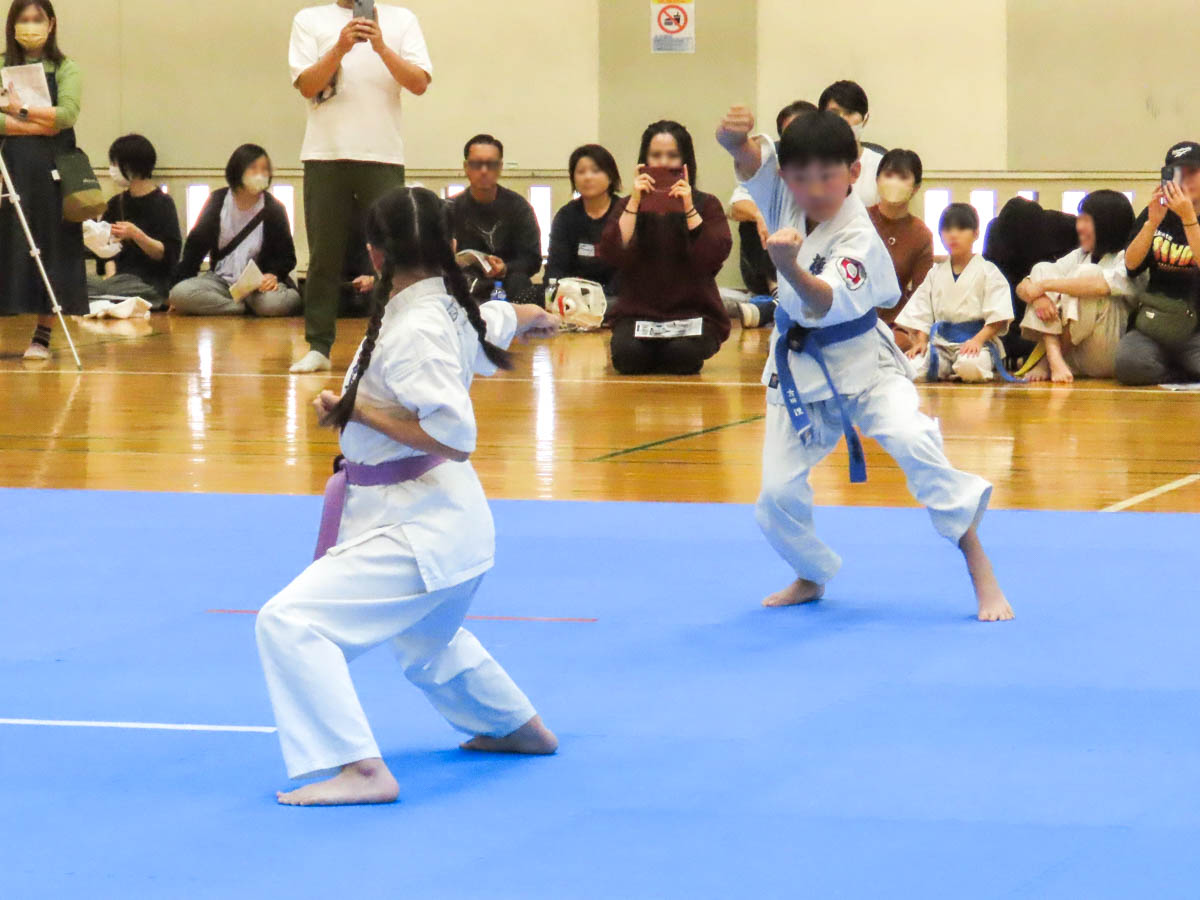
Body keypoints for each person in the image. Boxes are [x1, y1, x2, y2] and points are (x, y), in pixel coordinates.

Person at [255, 187, 560, 806]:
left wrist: (356, 409)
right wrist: (536, 316)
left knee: (289, 622)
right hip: (447, 528)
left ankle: (360, 769)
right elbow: (500, 320)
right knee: (427, 642)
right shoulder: (446, 306)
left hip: (422, 529)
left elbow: (455, 434)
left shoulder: (416, 326)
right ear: (450, 247)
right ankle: (516, 728)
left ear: (374, 253)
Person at [717, 104, 1011, 622]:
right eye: (801, 177)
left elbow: (823, 300)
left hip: (865, 366)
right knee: (775, 495)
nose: (813, 189)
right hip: (797, 368)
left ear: (854, 173)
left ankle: (977, 562)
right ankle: (811, 573)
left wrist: (787, 265)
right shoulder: (783, 191)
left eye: (828, 176)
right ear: (787, 176)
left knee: (915, 441)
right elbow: (750, 163)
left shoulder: (859, 235)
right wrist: (731, 142)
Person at [288, 1, 433, 373]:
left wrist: (381, 45)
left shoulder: (402, 19)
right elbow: (307, 85)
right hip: (325, 154)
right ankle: (319, 345)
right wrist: (340, 47)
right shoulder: (309, 20)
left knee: (392, 254)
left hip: (383, 154)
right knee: (323, 254)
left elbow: (418, 83)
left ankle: (394, 341)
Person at [598, 120, 732, 375]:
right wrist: (635, 202)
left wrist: (689, 207)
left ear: (685, 162)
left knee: (680, 356)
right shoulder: (628, 204)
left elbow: (713, 256)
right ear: (644, 160)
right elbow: (612, 251)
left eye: (672, 156)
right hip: (638, 313)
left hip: (694, 313)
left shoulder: (707, 204)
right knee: (629, 358)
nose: (662, 163)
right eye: (655, 155)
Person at [0, 0, 85, 360]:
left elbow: (64, 116)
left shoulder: (66, 67)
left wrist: (18, 109)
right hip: (8, 170)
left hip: (51, 173)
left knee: (50, 246)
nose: (30, 26)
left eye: (37, 19)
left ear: (50, 24)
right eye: (24, 20)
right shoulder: (2, 66)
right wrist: (38, 122)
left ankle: (43, 335)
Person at [1017, 191, 1140, 382]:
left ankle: (1048, 360)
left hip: (1105, 352)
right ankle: (1053, 356)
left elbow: (1098, 286)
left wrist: (1043, 286)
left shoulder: (1128, 258)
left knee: (1086, 276)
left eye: (1085, 220)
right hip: (1071, 355)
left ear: (1106, 224)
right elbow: (1024, 286)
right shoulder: (1080, 254)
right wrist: (1039, 297)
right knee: (1042, 268)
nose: (1079, 227)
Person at [169, 144, 302, 317]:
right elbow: (195, 247)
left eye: (264, 170)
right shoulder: (217, 201)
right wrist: (179, 286)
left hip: (258, 286)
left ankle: (249, 305)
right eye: (253, 169)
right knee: (179, 294)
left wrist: (273, 274)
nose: (260, 174)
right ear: (238, 170)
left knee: (272, 304)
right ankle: (239, 308)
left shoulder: (274, 209)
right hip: (221, 281)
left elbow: (287, 256)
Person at [897, 204, 1014, 382]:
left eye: (961, 228)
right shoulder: (935, 273)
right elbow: (921, 311)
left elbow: (998, 316)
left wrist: (977, 340)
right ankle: (946, 368)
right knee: (912, 367)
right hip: (940, 344)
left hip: (975, 343)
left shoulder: (988, 271)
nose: (953, 235)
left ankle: (958, 368)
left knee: (970, 367)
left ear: (975, 234)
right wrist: (920, 341)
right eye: (947, 229)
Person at [1114, 141, 1200, 385]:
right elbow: (1131, 266)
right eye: (1178, 173)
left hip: (1196, 327)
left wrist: (1189, 219)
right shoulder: (1155, 213)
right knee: (1128, 365)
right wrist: (1152, 223)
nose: (1186, 179)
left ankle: (1185, 368)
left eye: (1193, 172)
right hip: (1156, 322)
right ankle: (1179, 372)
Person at [729, 99, 816, 329]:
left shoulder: (833, 167)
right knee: (757, 219)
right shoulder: (774, 165)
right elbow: (735, 206)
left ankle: (780, 302)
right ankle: (778, 293)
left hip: (820, 265)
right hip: (776, 257)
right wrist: (760, 214)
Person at [88, 134, 181, 309]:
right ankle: (111, 295)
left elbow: (168, 254)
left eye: (115, 164)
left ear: (132, 166)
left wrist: (136, 234)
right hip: (119, 281)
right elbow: (107, 252)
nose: (112, 170)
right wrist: (111, 278)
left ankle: (113, 297)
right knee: (80, 284)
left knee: (135, 290)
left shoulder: (163, 203)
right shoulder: (116, 203)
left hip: (150, 283)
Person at [448, 134, 543, 304]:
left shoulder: (519, 207)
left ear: (500, 167)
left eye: (490, 165)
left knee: (521, 284)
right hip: (466, 283)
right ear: (466, 167)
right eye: (477, 164)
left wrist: (505, 268)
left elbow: (532, 259)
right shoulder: (449, 208)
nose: (484, 171)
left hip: (508, 282)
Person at [868, 148, 933, 351]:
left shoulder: (920, 233)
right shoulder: (858, 220)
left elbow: (922, 292)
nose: (894, 182)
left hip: (896, 324)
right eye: (888, 175)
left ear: (916, 187)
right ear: (877, 180)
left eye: (903, 177)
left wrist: (919, 335)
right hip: (853, 318)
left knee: (887, 348)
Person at [545, 143, 622, 300]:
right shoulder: (566, 215)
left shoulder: (624, 212)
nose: (587, 177)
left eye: (595, 171)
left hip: (615, 293)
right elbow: (556, 266)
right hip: (575, 295)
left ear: (610, 176)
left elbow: (629, 268)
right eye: (581, 171)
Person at [819, 80, 883, 207]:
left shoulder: (881, 166)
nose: (842, 120)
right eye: (834, 113)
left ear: (865, 119)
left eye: (849, 113)